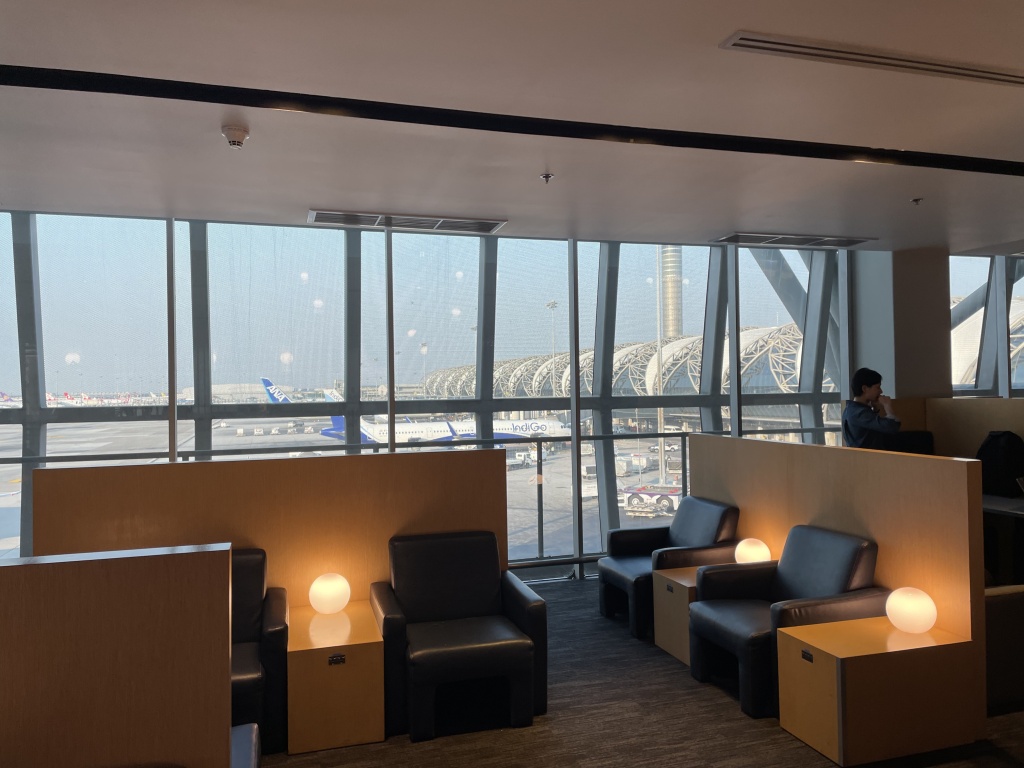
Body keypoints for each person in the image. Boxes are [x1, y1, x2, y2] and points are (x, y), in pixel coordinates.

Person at [842, 368, 901, 449]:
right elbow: (892, 427)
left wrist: (875, 409)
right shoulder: (859, 413)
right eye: (877, 387)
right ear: (865, 388)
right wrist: (887, 406)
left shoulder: (851, 409)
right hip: (868, 460)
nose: (881, 391)